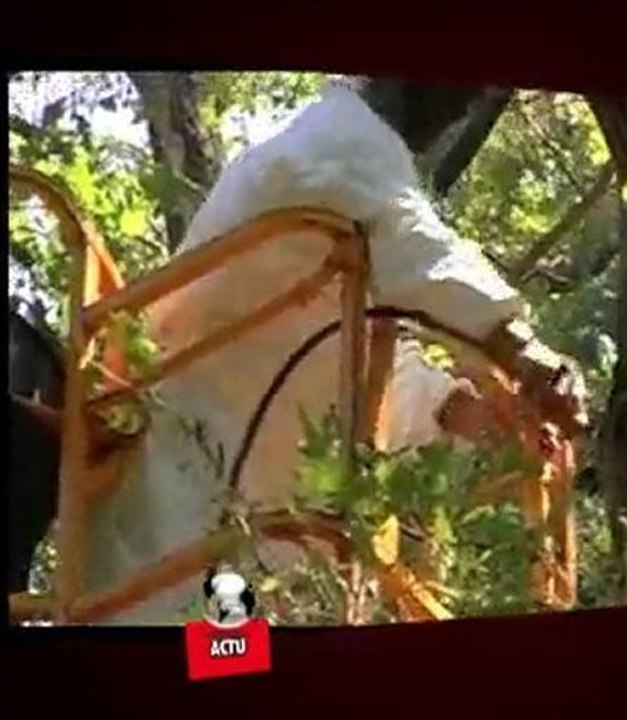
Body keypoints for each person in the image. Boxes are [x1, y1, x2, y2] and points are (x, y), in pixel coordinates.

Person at [82, 80, 587, 623]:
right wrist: (524, 352)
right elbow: (416, 250)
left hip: (243, 526)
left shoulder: (348, 210)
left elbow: (353, 350)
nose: (464, 99)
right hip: (176, 510)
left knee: (239, 647)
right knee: (208, 648)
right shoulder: (329, 146)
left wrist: (453, 407)